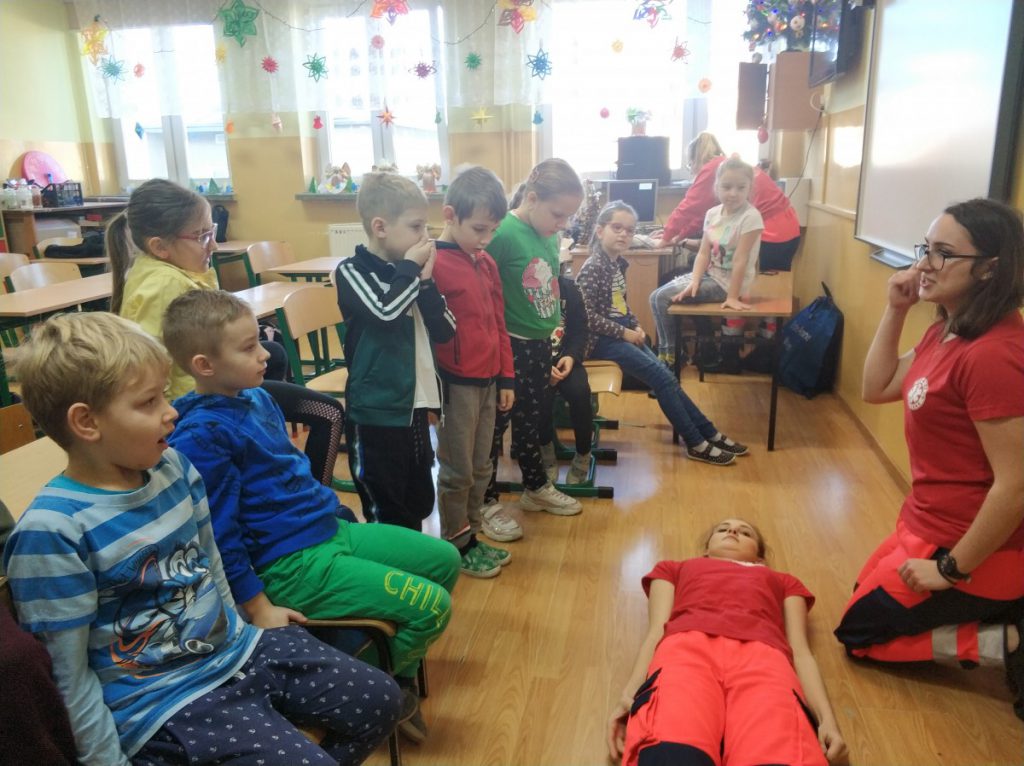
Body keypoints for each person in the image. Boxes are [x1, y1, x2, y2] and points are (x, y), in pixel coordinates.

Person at [4, 311, 401, 765]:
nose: (171, 411)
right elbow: (67, 676)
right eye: (149, 402)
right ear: (86, 422)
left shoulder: (173, 467)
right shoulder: (53, 532)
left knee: (382, 700)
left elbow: (209, 561)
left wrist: (243, 623)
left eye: (164, 394)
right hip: (162, 700)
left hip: (234, 650)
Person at [162, 289, 460, 743]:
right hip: (290, 563)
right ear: (204, 365)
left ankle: (375, 668)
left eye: (259, 341)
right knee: (432, 607)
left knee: (445, 561)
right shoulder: (202, 436)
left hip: (326, 530)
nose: (266, 354)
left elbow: (288, 473)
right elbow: (218, 535)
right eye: (249, 347)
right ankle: (365, 691)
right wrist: (257, 606)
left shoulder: (256, 397)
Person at [834, 198, 1024, 720]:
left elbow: (1016, 486)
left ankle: (1003, 639)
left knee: (859, 634)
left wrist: (950, 570)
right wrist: (896, 309)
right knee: (860, 599)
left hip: (971, 547)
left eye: (943, 253)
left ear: (989, 268)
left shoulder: (993, 354)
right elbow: (876, 388)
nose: (923, 264)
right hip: (925, 523)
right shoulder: (947, 328)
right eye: (926, 248)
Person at [106, 177, 345, 487]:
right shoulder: (165, 285)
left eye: (212, 231)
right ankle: (303, 496)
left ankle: (265, 469)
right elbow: (150, 370)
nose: (214, 245)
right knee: (327, 412)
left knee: (273, 354)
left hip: (207, 390)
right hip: (198, 404)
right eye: (202, 236)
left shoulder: (171, 273)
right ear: (160, 247)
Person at [608, 518, 847, 766]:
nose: (732, 531)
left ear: (760, 557)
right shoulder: (673, 569)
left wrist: (827, 721)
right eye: (722, 529)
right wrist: (628, 695)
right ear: (706, 549)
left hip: (765, 660)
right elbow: (656, 632)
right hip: (686, 651)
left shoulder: (784, 582)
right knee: (671, 751)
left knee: (779, 754)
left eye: (746, 533)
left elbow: (801, 652)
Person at [579, 202, 745, 465]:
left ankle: (709, 433)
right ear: (600, 231)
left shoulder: (616, 264)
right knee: (661, 378)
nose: (624, 234)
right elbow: (586, 318)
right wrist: (624, 333)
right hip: (600, 340)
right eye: (616, 228)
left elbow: (620, 304)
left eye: (629, 230)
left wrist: (635, 325)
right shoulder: (593, 267)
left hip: (620, 332)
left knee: (666, 377)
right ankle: (696, 442)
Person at [334, 172, 456, 530]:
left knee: (419, 499)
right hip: (376, 411)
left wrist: (427, 283)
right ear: (380, 227)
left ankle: (412, 559)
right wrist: (410, 270)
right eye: (416, 226)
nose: (425, 236)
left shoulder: (411, 274)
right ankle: (390, 564)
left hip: (415, 408)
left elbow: (446, 330)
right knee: (385, 507)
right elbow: (385, 313)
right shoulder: (352, 271)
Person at [431, 166, 521, 576]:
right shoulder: (433, 263)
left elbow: (499, 323)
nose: (486, 240)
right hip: (456, 384)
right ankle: (456, 543)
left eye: (493, 231)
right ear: (450, 215)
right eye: (479, 229)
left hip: (489, 381)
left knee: (483, 465)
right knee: (458, 469)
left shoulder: (485, 263)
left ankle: (473, 536)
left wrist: (506, 376)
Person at [484, 158, 585, 516]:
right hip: (509, 347)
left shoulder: (550, 234)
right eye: (558, 214)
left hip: (540, 343)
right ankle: (485, 501)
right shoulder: (502, 234)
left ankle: (535, 487)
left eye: (568, 216)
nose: (563, 223)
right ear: (531, 198)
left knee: (532, 419)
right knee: (496, 426)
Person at [649, 157, 764, 371]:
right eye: (727, 187)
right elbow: (703, 253)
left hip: (729, 284)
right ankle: (671, 355)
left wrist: (732, 296)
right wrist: (694, 280)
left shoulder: (751, 217)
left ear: (750, 188)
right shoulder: (712, 214)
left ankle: (669, 360)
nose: (733, 193)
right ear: (717, 187)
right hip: (710, 276)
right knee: (656, 297)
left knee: (660, 298)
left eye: (741, 187)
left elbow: (740, 259)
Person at [658, 132, 801, 273]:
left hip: (771, 236)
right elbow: (702, 217)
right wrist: (677, 236)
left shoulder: (713, 169)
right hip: (787, 232)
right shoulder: (727, 166)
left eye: (690, 165)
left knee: (711, 264)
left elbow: (688, 207)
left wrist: (665, 238)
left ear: (695, 159)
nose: (691, 172)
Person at [539, 274, 594, 484]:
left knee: (580, 393)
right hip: (537, 363)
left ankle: (583, 453)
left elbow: (581, 330)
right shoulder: (526, 290)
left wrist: (571, 356)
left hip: (567, 361)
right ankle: (546, 452)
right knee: (540, 400)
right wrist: (544, 367)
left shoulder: (570, 288)